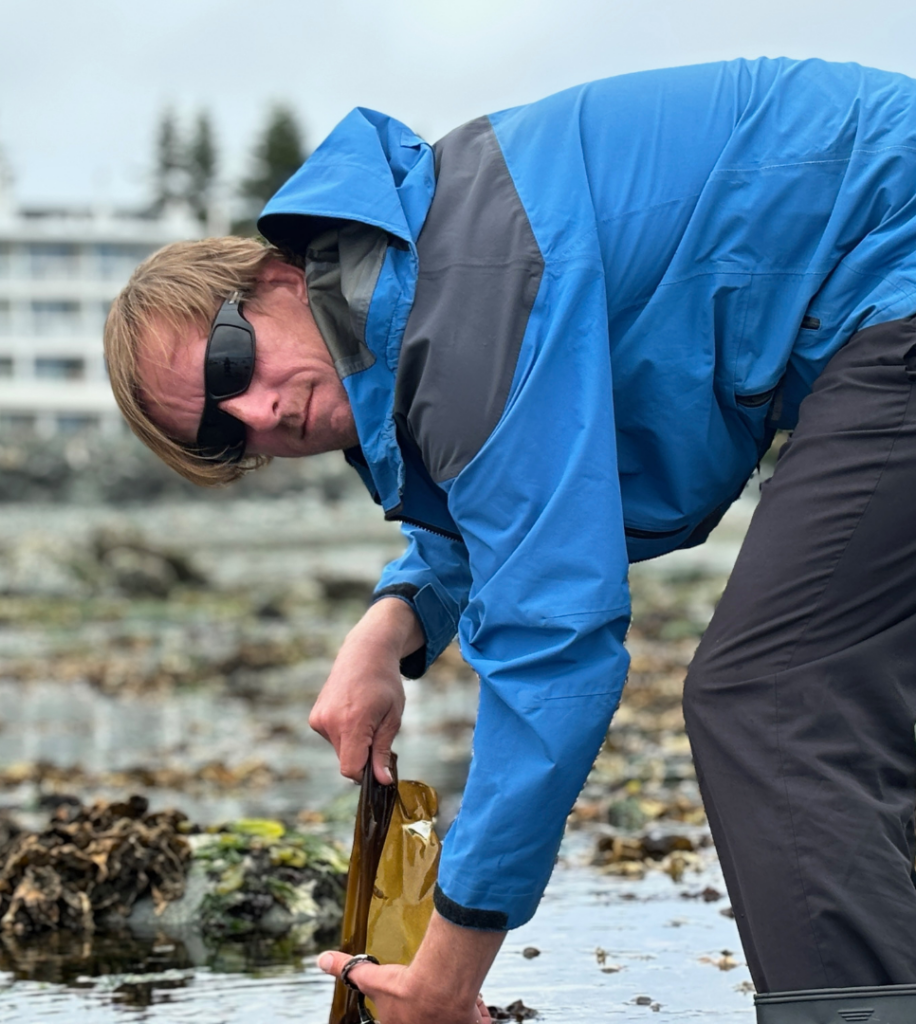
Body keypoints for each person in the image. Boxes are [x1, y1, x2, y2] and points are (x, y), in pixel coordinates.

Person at [104, 57, 916, 1023]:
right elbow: (500, 499)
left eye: (230, 361)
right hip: (861, 302)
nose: (260, 410)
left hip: (888, 262)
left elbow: (552, 649)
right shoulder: (417, 294)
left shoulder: (467, 296)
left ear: (276, 276)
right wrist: (389, 628)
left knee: (774, 696)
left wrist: (447, 975)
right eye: (221, 431)